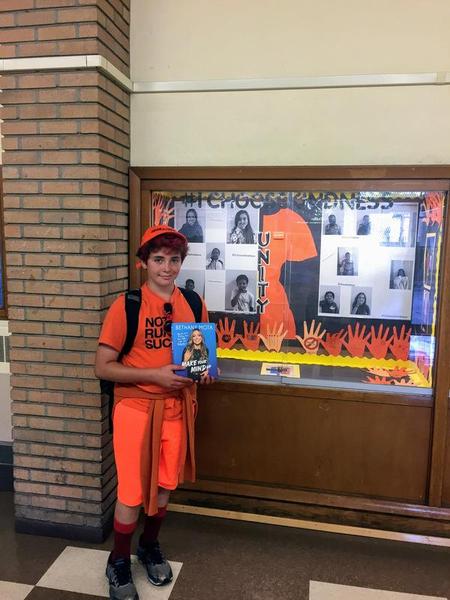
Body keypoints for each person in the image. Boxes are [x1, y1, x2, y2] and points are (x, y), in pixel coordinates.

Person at [95, 224, 212, 600]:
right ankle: (118, 560)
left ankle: (148, 546)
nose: (167, 267)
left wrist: (204, 371)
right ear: (144, 262)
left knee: (163, 487)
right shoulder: (127, 306)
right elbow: (103, 367)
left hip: (177, 410)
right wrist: (154, 375)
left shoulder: (192, 302)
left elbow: (199, 356)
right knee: (131, 493)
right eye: (159, 259)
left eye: (174, 259)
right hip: (135, 409)